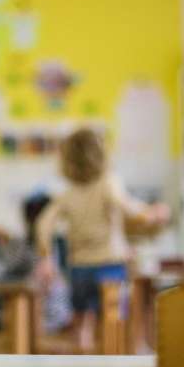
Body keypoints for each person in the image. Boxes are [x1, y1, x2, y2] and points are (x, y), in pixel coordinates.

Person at [36, 128, 168, 351]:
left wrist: (47, 257)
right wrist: (151, 213)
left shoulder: (67, 193)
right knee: (111, 322)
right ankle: (112, 362)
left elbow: (43, 224)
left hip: (79, 267)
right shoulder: (108, 182)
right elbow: (127, 207)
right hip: (110, 263)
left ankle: (83, 362)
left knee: (81, 321)